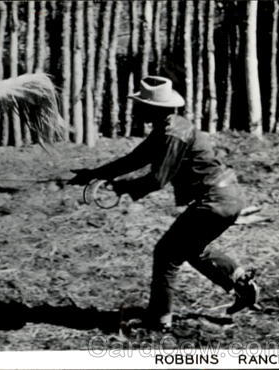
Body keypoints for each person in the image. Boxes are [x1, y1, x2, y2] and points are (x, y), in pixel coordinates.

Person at [69, 76, 259, 331]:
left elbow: (157, 179)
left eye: (141, 104)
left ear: (153, 108)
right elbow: (133, 159)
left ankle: (158, 320)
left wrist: (122, 186)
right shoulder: (167, 128)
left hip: (214, 200)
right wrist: (94, 174)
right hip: (226, 197)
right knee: (191, 249)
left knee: (167, 253)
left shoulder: (174, 133)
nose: (137, 108)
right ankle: (241, 281)